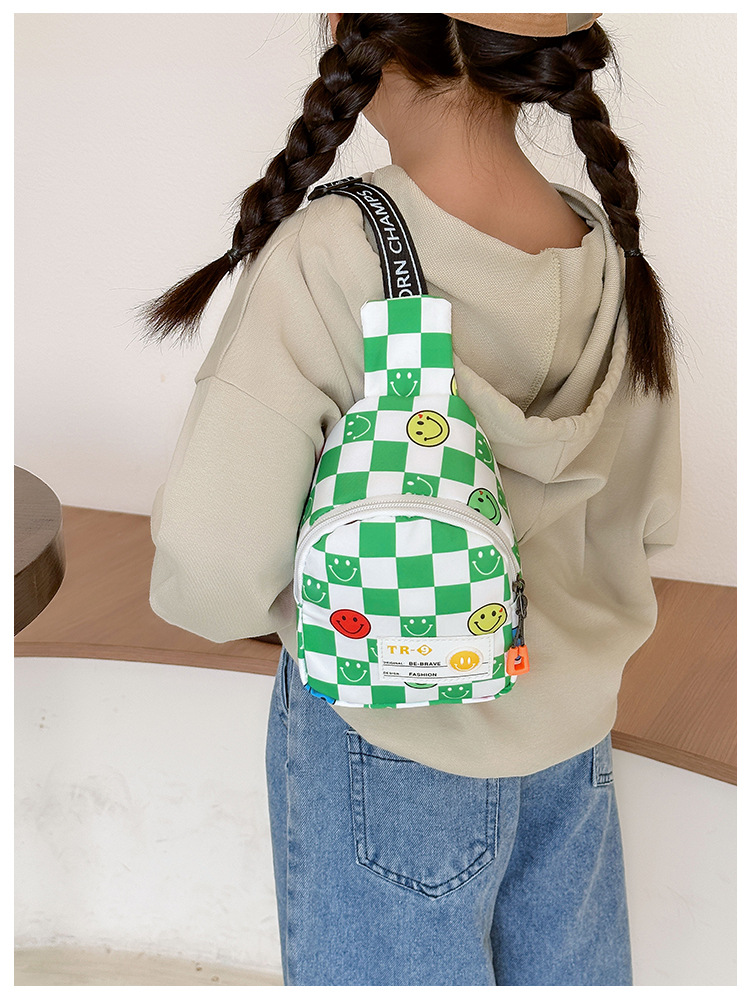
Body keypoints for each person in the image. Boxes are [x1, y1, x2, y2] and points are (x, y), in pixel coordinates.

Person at [142, 13, 682, 987]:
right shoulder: (606, 249)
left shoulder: (336, 251)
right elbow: (651, 520)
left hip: (389, 735)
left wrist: (299, 603)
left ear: (371, 41)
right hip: (571, 736)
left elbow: (214, 561)